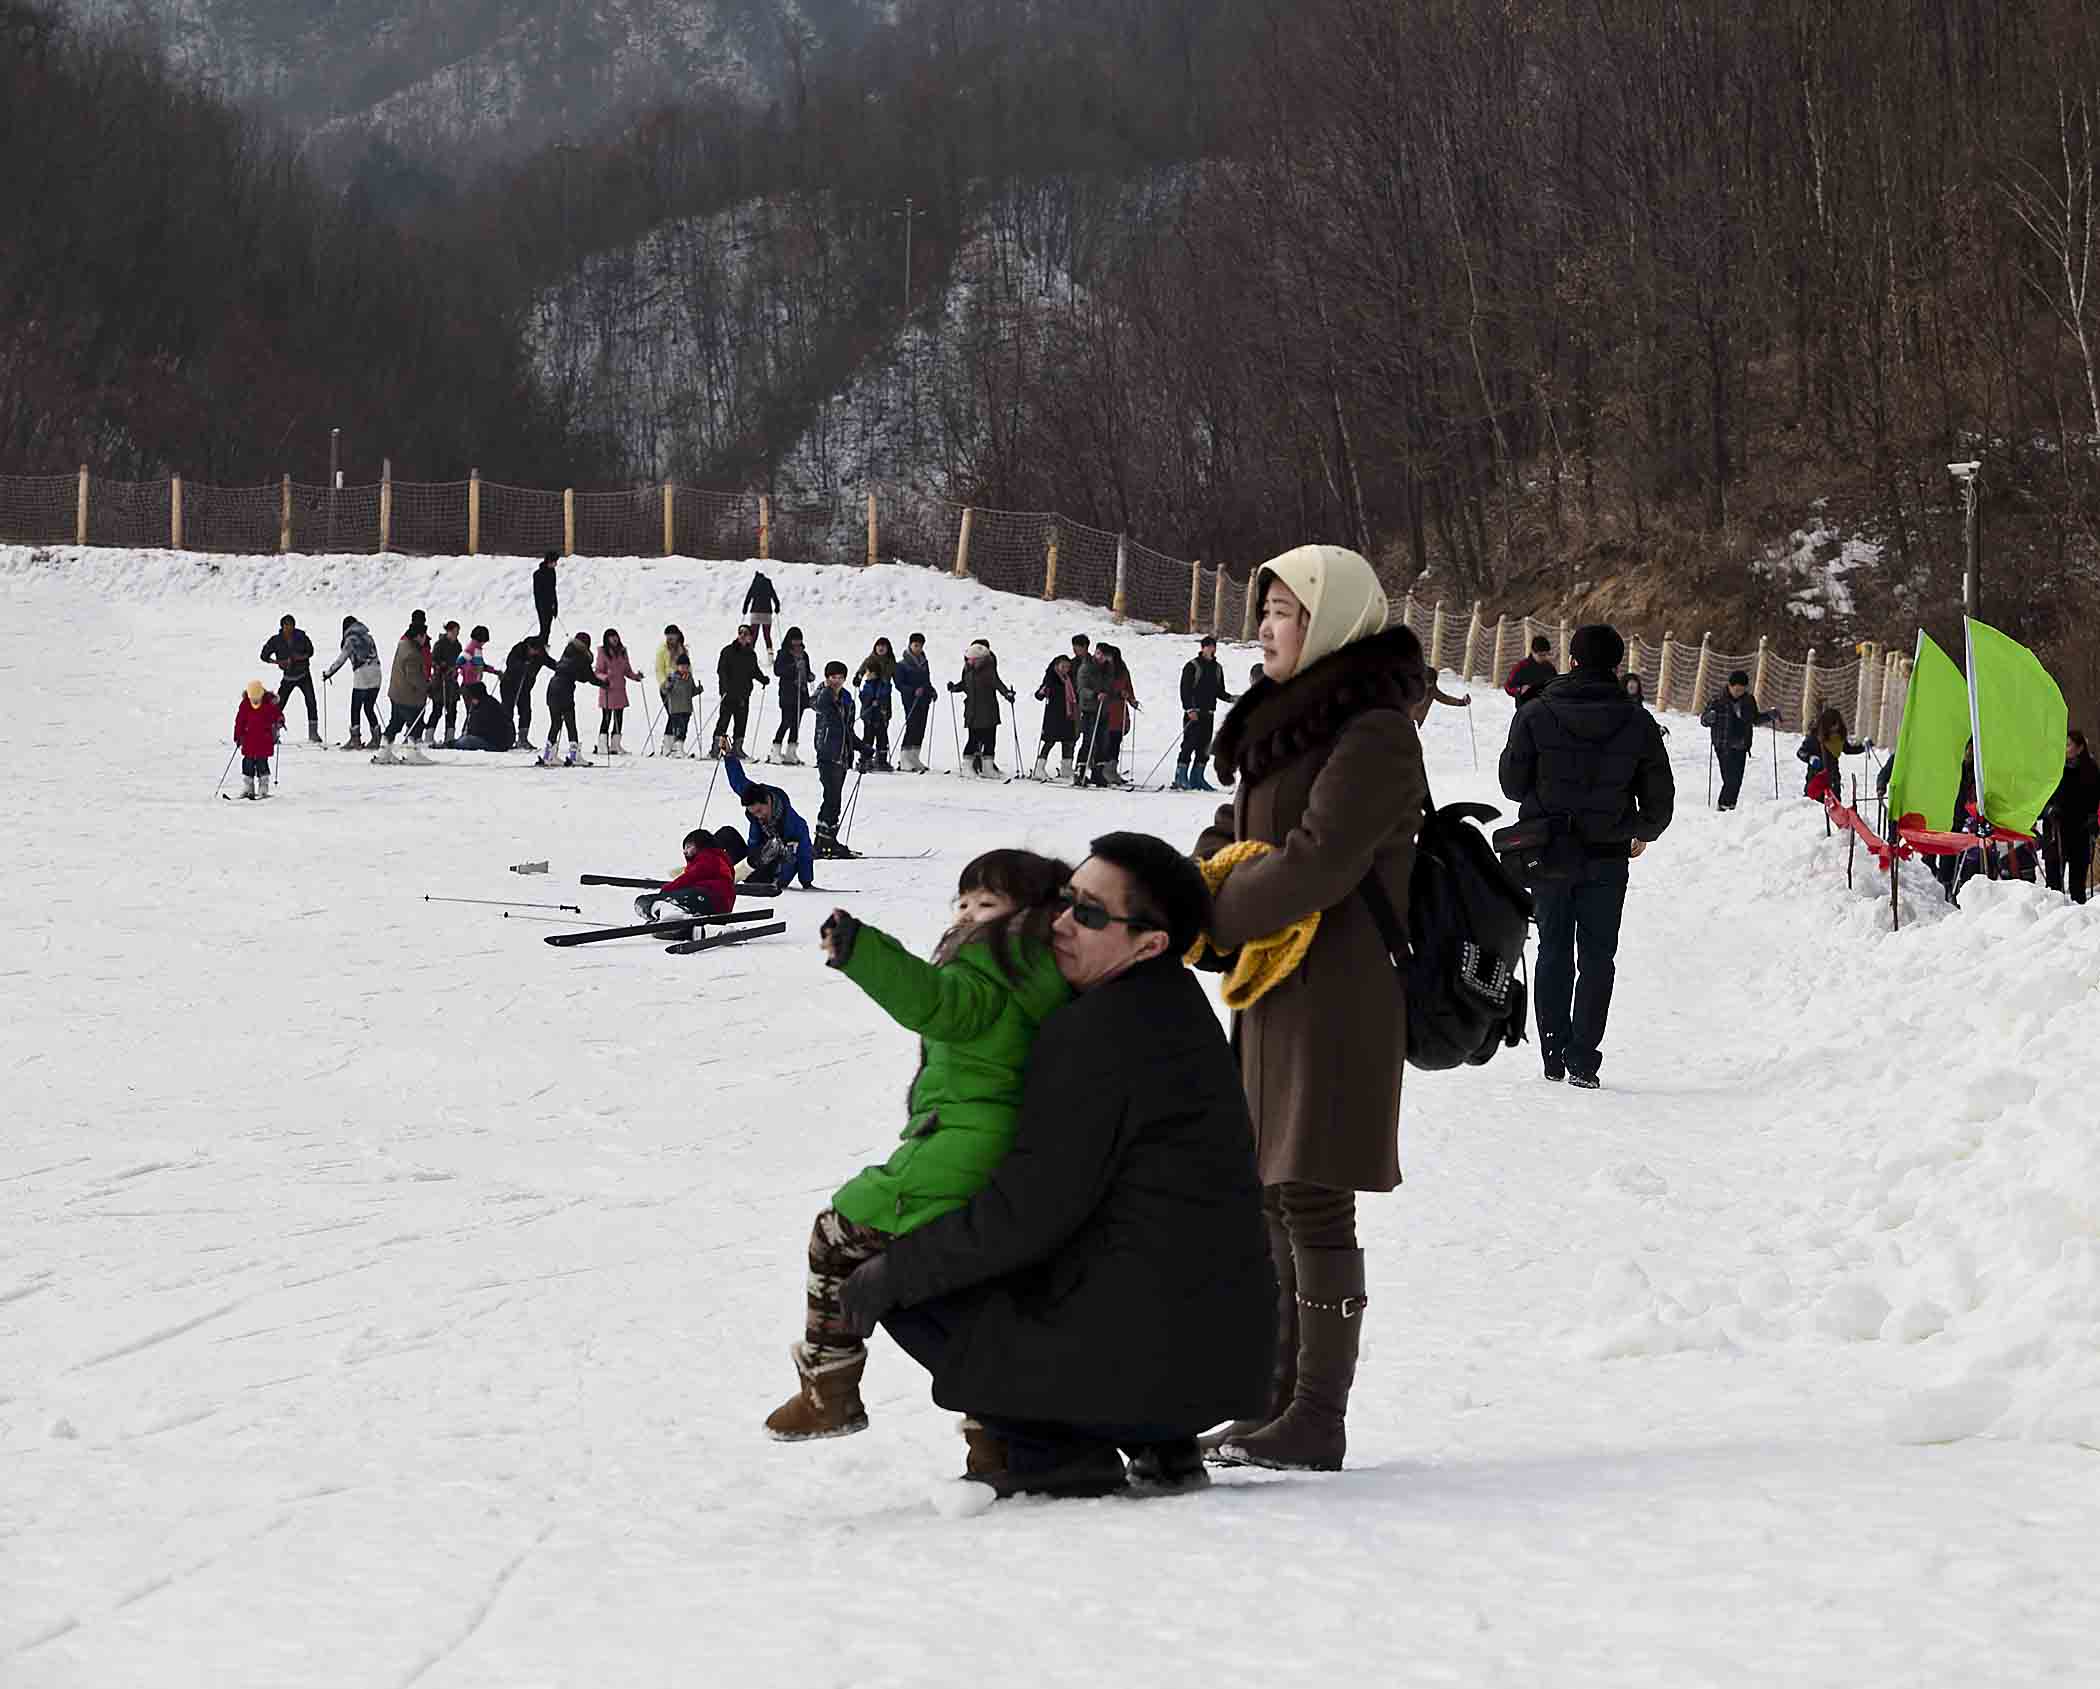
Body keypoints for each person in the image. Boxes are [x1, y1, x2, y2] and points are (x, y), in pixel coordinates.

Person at [835, 833, 1273, 1498]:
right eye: (1065, 902)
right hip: (1212, 1362)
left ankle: (1057, 1451)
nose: (1061, 922)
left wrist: (896, 1269)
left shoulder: (1094, 1032)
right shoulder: (1175, 1007)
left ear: (1149, 942)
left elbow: (1026, 1212)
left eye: (1090, 914)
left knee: (904, 1280)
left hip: (1151, 1368)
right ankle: (1161, 1442)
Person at [1191, 544, 1426, 1472]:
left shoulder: (1372, 731)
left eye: (1284, 609)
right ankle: (1278, 1400)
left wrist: (1211, 913)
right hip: (1271, 989)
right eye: (1266, 608)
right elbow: (1234, 837)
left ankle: (1317, 1415)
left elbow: (1320, 860)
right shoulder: (1282, 723)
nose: (1266, 625)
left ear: (1327, 620)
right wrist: (1186, 894)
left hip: (1339, 993)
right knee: (1272, 1195)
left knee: (1315, 1198)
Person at [764, 851, 1074, 1442]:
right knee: (980, 1299)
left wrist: (862, 952)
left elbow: (934, 1000)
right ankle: (995, 1439)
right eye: (962, 902)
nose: (966, 915)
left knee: (835, 1235)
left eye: (987, 904)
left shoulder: (987, 971)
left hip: (959, 1154)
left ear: (1031, 913)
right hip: (1013, 1154)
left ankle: (829, 1386)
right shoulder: (1049, 974)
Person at [1499, 623, 1675, 1090]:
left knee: (1553, 948)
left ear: (1572, 660)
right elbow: (1659, 801)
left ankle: (1553, 1052)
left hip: (1548, 852)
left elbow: (1512, 785)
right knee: (1598, 955)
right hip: (1607, 855)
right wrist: (1642, 832)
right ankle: (1583, 1059)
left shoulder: (1536, 712)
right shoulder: (1637, 720)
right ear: (1616, 665)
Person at [725, 753, 817, 889]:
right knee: (727, 834)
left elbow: (804, 854)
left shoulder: (794, 824)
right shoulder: (753, 794)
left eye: (759, 811)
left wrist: (806, 882)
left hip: (771, 875)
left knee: (776, 846)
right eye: (753, 813)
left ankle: (744, 875)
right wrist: (728, 755)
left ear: (768, 801)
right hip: (752, 860)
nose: (757, 816)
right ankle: (702, 867)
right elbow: (737, 781)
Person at [1700, 669, 1778, 811]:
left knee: (1737, 779)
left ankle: (1730, 806)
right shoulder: (1717, 700)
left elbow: (1754, 719)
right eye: (1736, 689)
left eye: (1742, 690)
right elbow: (1704, 720)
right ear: (1729, 686)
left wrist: (1769, 716)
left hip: (1741, 745)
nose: (1738, 692)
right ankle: (1723, 807)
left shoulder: (1749, 700)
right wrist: (1709, 718)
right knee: (1730, 779)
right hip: (1723, 745)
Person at [635, 826, 746, 922]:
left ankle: (661, 910)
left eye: (688, 847)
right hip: (720, 907)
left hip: (709, 897)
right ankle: (686, 924)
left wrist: (666, 890)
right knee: (656, 899)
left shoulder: (709, 857)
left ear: (700, 845)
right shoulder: (720, 860)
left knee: (648, 899)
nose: (685, 852)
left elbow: (689, 878)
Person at [809, 660, 862, 857]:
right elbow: (814, 703)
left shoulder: (848, 700)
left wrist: (862, 747)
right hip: (827, 755)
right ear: (827, 677)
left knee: (835, 800)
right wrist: (825, 689)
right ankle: (823, 841)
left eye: (840, 678)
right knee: (830, 798)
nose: (836, 681)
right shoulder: (823, 696)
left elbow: (848, 730)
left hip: (842, 756)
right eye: (832, 677)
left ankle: (828, 839)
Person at [2042, 730, 2100, 904]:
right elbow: (2041, 796)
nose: (2064, 749)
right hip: (2056, 829)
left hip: (2080, 830)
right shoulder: (2053, 768)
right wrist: (2048, 809)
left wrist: (2093, 819)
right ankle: (2052, 917)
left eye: (2068, 745)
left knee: (2077, 883)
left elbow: (2096, 799)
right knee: (2053, 882)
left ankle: (2079, 922)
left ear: (2080, 747)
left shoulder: (2091, 770)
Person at [1175, 635, 1237, 791]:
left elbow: (1219, 691)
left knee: (1204, 747)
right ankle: (1180, 777)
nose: (1211, 649)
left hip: (1209, 713)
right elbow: (1185, 690)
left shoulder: (1217, 668)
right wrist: (1189, 709)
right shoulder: (1192, 666)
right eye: (1207, 646)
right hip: (1194, 713)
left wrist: (1234, 699)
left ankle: (1197, 777)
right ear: (1202, 648)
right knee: (1189, 744)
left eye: (1213, 646)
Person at [950, 640, 1015, 778]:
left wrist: (1007, 694)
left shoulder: (988, 672)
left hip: (989, 711)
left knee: (990, 739)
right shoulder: (967, 671)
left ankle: (988, 767)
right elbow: (964, 684)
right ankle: (967, 766)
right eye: (970, 660)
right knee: (973, 739)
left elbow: (998, 683)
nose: (972, 662)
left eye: (975, 660)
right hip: (973, 711)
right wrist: (954, 688)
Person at [374, 615, 432, 765]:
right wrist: (428, 688)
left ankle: (384, 751)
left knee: (395, 723)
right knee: (416, 724)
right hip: (409, 696)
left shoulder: (403, 644)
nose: (425, 639)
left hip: (396, 692)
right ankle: (412, 753)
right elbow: (414, 677)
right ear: (418, 636)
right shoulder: (412, 653)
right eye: (424, 636)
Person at [322, 615, 383, 749]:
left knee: (355, 707)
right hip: (377, 672)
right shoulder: (368, 637)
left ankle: (355, 740)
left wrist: (329, 673)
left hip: (362, 674)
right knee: (369, 706)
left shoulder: (350, 640)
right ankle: (376, 737)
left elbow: (341, 659)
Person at [260, 615, 319, 743]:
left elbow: (311, 651)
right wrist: (277, 662)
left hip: (304, 675)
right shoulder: (276, 640)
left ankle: (313, 734)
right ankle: (273, 734)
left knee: (311, 702)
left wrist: (300, 657)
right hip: (288, 677)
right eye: (286, 625)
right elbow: (263, 655)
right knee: (278, 705)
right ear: (282, 626)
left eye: (291, 625)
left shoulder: (301, 636)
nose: (289, 628)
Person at [539, 632, 595, 766]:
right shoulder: (583, 656)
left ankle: (548, 755)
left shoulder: (568, 651)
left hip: (552, 688)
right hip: (564, 691)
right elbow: (589, 677)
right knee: (570, 722)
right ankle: (574, 756)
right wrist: (605, 684)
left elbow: (574, 673)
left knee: (556, 723)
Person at [1087, 644, 1138, 787]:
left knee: (1116, 739)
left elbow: (1128, 686)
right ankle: (1100, 771)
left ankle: (1111, 769)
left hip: (1118, 709)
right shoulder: (1100, 669)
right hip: (1104, 708)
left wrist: (1131, 699)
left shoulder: (1121, 670)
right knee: (1103, 740)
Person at [714, 624, 765, 757]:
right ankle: (716, 748)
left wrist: (763, 679)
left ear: (750, 638)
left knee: (741, 722)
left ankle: (737, 748)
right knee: (724, 720)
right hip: (729, 693)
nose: (742, 636)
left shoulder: (751, 654)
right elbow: (721, 670)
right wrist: (724, 688)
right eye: (741, 633)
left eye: (746, 634)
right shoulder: (728, 651)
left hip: (743, 694)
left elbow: (754, 671)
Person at [1797, 707, 1866, 802]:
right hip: (1816, 779)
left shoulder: (1838, 737)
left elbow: (1847, 749)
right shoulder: (1815, 738)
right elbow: (1801, 752)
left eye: (1837, 724)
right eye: (1832, 725)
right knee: (1815, 809)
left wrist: (1863, 747)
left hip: (1833, 779)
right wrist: (1810, 758)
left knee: (1834, 808)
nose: (1835, 728)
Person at [500, 633, 553, 751]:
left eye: (539, 651)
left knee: (526, 711)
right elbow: (511, 663)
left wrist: (562, 667)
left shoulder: (540, 653)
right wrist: (523, 666)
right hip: (509, 685)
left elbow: (550, 662)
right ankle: (505, 737)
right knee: (507, 710)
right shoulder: (518, 649)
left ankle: (523, 739)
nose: (537, 654)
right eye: (534, 651)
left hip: (525, 687)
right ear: (529, 647)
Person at [594, 627, 643, 756]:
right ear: (607, 639)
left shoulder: (623, 651)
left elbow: (627, 670)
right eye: (611, 637)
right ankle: (602, 745)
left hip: (620, 689)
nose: (614, 639)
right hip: (608, 689)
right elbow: (598, 671)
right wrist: (605, 677)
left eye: (615, 636)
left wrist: (636, 677)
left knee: (619, 718)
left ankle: (615, 745)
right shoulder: (603, 652)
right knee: (606, 717)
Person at [232, 679, 283, 798]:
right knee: (247, 763)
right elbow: (239, 721)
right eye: (253, 699)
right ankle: (248, 788)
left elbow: (277, 714)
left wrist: (280, 720)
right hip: (249, 739)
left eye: (257, 698)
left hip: (264, 739)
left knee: (262, 763)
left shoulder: (268, 704)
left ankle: (263, 788)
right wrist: (238, 736)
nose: (255, 701)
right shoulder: (245, 704)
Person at [769, 627, 812, 765]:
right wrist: (793, 667)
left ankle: (791, 752)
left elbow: (807, 670)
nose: (797, 642)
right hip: (788, 693)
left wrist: (809, 676)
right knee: (786, 721)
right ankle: (775, 750)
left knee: (796, 724)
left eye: (799, 639)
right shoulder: (783, 654)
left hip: (801, 692)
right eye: (794, 639)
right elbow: (778, 671)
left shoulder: (804, 655)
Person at [1033, 653, 1078, 780]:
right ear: (1057, 666)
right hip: (1054, 715)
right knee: (1049, 741)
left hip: (1067, 714)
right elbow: (1039, 695)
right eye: (1063, 666)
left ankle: (1066, 768)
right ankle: (1039, 768)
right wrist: (1044, 691)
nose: (1065, 669)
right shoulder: (1051, 678)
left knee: (1068, 741)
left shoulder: (1069, 678)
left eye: (1067, 667)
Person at [895, 632, 935, 772]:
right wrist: (912, 691)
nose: (918, 648)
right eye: (915, 645)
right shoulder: (902, 664)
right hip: (910, 700)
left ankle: (914, 757)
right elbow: (899, 684)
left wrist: (931, 690)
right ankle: (905, 758)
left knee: (921, 727)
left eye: (920, 646)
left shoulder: (924, 662)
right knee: (912, 726)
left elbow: (926, 680)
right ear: (910, 645)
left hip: (924, 699)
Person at [857, 638, 896, 772]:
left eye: (883, 646)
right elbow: (861, 673)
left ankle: (881, 759)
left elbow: (892, 681)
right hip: (869, 710)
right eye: (879, 646)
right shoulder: (870, 660)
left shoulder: (890, 662)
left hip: (883, 705)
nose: (881, 649)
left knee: (882, 732)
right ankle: (865, 758)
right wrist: (858, 678)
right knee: (868, 734)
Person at [1072, 637, 1106, 782]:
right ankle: (1080, 771)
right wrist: (1094, 694)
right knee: (1088, 740)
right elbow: (1081, 689)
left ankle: (1097, 773)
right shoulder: (1085, 667)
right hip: (1088, 708)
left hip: (1101, 708)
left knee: (1100, 741)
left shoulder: (1101, 667)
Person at [425, 620, 464, 745]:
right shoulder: (440, 644)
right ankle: (429, 736)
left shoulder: (458, 645)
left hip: (452, 682)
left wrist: (455, 669)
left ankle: (449, 737)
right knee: (437, 709)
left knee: (452, 710)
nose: (456, 634)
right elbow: (433, 660)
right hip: (440, 681)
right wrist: (440, 666)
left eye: (457, 632)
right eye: (454, 631)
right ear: (448, 631)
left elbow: (459, 661)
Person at [450, 682, 514, 752]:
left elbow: (479, 729)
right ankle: (454, 743)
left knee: (467, 741)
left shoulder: (486, 707)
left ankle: (453, 744)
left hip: (495, 743)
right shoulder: (486, 703)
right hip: (497, 741)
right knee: (466, 739)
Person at [660, 654, 700, 756]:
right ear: (677, 667)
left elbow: (691, 692)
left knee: (684, 729)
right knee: (678, 729)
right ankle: (674, 749)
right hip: (676, 709)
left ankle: (678, 748)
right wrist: (668, 684)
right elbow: (664, 690)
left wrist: (698, 690)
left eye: (686, 667)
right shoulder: (672, 677)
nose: (684, 669)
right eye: (682, 666)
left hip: (687, 708)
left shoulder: (689, 677)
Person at [1505, 634, 1557, 706]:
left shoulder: (1550, 668)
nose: (1543, 658)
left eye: (1546, 655)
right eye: (1540, 655)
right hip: (1525, 709)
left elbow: (1556, 685)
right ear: (1532, 651)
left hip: (1546, 708)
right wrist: (1519, 690)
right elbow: (1508, 686)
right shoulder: (1521, 667)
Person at [743, 571, 781, 654]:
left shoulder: (755, 583)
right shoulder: (768, 583)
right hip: (767, 613)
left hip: (755, 613)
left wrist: (745, 608)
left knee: (753, 635)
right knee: (767, 635)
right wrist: (777, 606)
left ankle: (749, 654)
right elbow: (774, 596)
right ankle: (770, 656)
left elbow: (748, 596)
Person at [457, 625, 496, 698]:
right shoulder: (472, 649)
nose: (484, 643)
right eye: (484, 641)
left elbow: (480, 665)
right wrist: (475, 670)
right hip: (470, 686)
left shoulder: (476, 649)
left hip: (474, 684)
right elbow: (460, 663)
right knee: (474, 708)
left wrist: (494, 671)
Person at [532, 552, 559, 645]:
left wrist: (555, 605)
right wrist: (543, 608)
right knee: (544, 629)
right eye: (554, 562)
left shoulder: (552, 572)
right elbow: (538, 594)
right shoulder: (538, 574)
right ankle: (539, 647)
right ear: (549, 561)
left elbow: (553, 590)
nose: (556, 564)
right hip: (542, 606)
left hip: (550, 606)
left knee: (547, 630)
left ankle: (543, 646)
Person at [654, 625, 689, 693]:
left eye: (672, 636)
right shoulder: (662, 650)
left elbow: (688, 666)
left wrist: (689, 681)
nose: (669, 638)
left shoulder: (683, 650)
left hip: (682, 685)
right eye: (668, 636)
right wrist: (664, 683)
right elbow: (659, 669)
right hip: (668, 686)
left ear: (677, 636)